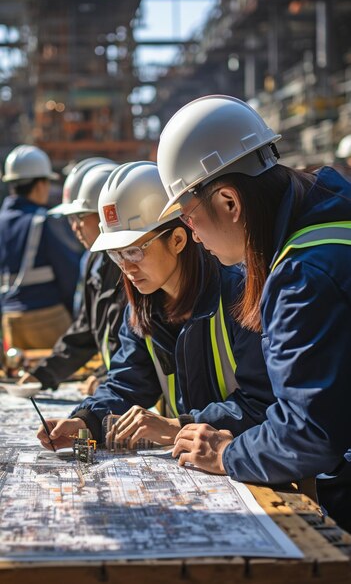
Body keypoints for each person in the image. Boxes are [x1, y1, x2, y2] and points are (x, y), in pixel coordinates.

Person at [156, 94, 351, 532]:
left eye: (188, 216)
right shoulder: (331, 216)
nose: (190, 233)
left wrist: (227, 454)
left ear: (228, 201)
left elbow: (310, 431)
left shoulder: (302, 275)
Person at [37, 160, 274, 451]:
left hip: (250, 461)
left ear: (177, 239)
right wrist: (86, 420)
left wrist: (177, 426)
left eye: (134, 252)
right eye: (116, 255)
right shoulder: (141, 312)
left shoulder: (239, 295)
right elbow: (128, 381)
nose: (126, 268)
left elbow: (263, 403)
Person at [19, 159, 125, 392]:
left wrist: (109, 379)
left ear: (107, 213)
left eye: (79, 217)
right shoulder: (94, 261)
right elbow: (84, 333)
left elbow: (141, 345)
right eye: (70, 219)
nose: (74, 227)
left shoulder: (132, 266)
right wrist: (43, 374)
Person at [0, 144, 81, 350]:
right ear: (39, 185)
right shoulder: (43, 221)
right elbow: (69, 272)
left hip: (9, 320)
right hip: (48, 317)